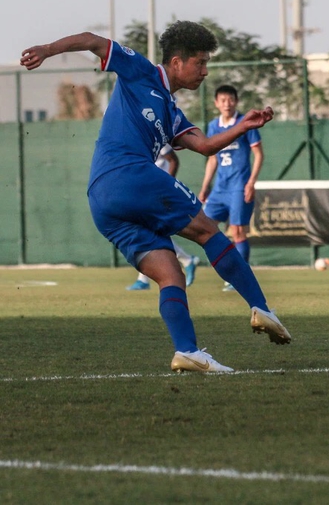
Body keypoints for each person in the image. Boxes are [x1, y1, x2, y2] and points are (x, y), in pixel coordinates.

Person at [20, 21, 291, 374]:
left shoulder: (171, 110)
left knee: (170, 275)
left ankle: (188, 351)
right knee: (208, 230)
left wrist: (243, 126)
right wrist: (46, 49)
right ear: (176, 62)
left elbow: (206, 146)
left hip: (102, 200)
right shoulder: (142, 70)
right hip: (129, 175)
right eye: (201, 62)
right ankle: (261, 307)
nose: (206, 72)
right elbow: (91, 40)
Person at [198, 84, 264, 292]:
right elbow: (212, 160)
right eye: (223, 100)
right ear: (216, 103)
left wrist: (251, 181)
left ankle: (238, 278)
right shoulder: (213, 126)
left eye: (230, 99)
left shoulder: (246, 123)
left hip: (239, 186)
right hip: (220, 188)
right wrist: (205, 186)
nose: (227, 104)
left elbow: (259, 154)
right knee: (203, 226)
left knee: (238, 232)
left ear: (236, 101)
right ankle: (228, 268)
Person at [127, 145, 200, 290]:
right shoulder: (135, 138)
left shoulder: (156, 136)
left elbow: (173, 160)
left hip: (158, 192)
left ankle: (144, 278)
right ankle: (186, 260)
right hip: (145, 191)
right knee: (151, 231)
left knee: (148, 230)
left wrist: (168, 186)